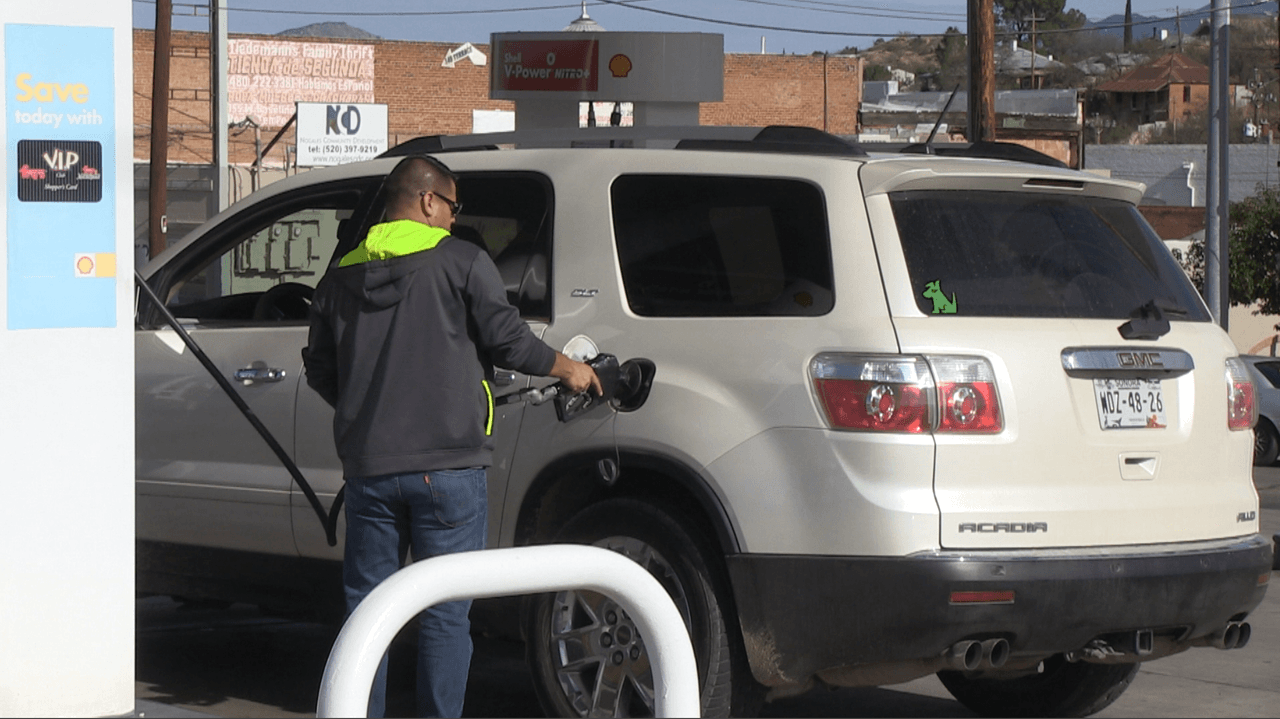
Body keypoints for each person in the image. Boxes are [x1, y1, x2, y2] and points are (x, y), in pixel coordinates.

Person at [302, 155, 600, 718]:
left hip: (370, 469)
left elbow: (321, 369)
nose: (453, 221)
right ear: (427, 200)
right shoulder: (462, 263)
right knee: (444, 614)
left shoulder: (341, 275)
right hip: (450, 470)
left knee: (368, 611)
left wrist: (371, 410)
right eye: (453, 208)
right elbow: (509, 342)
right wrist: (570, 369)